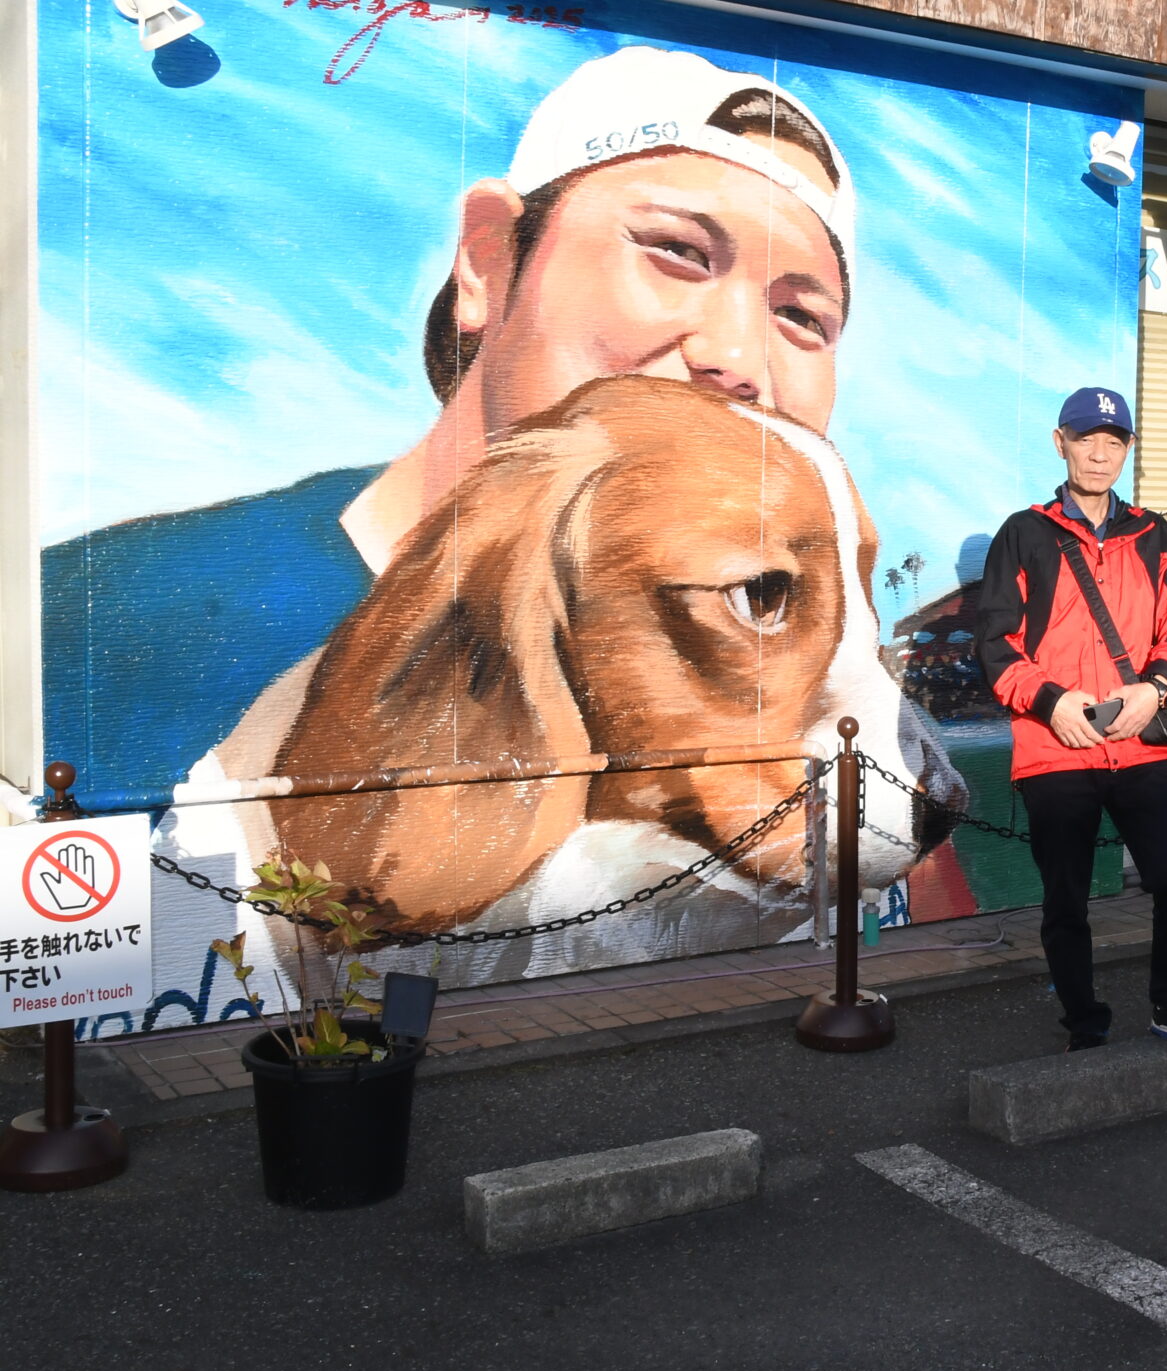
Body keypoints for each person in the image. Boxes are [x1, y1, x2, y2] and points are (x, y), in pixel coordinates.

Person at [43, 45, 858, 804]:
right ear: (489, 258)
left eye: (801, 315)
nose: (738, 357)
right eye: (678, 252)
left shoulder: (805, 695)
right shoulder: (105, 624)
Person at [977, 388, 1167, 1051]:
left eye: (1113, 442)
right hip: (1055, 750)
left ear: (1127, 451)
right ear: (1061, 442)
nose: (1099, 452)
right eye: (1087, 439)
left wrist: (1156, 686)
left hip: (1137, 744)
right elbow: (996, 646)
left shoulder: (1152, 533)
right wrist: (1050, 699)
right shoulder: (1023, 533)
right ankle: (1084, 1020)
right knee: (1067, 902)